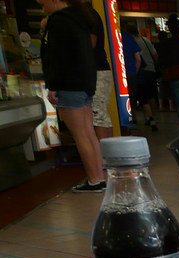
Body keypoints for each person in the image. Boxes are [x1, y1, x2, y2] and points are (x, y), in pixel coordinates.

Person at [37, 0, 103, 192]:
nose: (43, 8)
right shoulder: (81, 18)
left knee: (80, 135)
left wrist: (53, 85)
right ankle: (99, 177)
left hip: (69, 84)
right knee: (89, 133)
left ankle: (93, 180)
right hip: (85, 83)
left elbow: (57, 57)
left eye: (43, 4)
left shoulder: (59, 21)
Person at [80, 0, 112, 140]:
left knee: (97, 115)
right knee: (101, 115)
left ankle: (103, 156)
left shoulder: (87, 14)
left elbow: (89, 44)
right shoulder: (89, 13)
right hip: (99, 70)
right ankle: (109, 155)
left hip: (97, 71)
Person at [126, 22, 160, 131]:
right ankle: (153, 117)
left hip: (137, 72)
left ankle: (134, 117)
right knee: (150, 96)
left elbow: (137, 59)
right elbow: (155, 55)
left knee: (135, 97)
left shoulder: (128, 42)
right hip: (150, 70)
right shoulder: (146, 40)